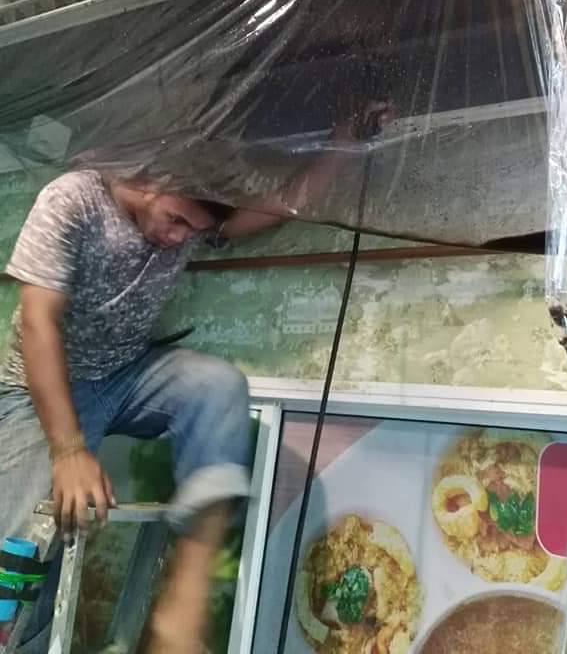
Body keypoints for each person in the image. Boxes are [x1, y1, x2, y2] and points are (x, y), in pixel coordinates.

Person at [0, 102, 391, 654]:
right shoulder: (73, 199)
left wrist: (343, 139)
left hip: (125, 374)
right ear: (152, 178)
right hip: (40, 386)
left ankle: (184, 594)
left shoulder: (191, 214)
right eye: (176, 220)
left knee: (217, 387)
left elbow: (283, 204)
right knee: (19, 560)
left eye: (195, 231)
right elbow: (38, 323)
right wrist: (67, 450)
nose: (178, 238)